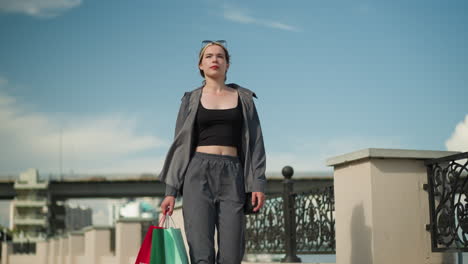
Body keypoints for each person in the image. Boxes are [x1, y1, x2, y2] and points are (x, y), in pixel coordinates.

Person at [159, 40, 266, 264]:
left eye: (220, 56)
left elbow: (255, 142)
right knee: (201, 253)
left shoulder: (244, 99)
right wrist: (171, 191)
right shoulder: (190, 99)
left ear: (227, 65)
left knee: (232, 254)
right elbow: (179, 145)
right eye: (208, 56)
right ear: (200, 65)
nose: (214, 60)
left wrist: (258, 183)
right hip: (197, 173)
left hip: (233, 174)